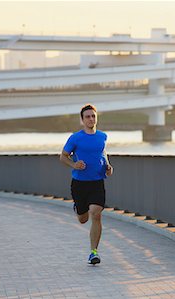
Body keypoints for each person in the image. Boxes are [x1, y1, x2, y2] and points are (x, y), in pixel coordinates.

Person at [60, 103, 113, 265]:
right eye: (87, 117)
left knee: (96, 213)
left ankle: (93, 252)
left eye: (93, 116)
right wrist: (74, 165)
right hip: (79, 184)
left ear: (96, 118)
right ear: (82, 120)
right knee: (83, 218)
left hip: (97, 182)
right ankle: (78, 208)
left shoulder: (102, 136)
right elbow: (63, 156)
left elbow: (103, 153)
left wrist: (108, 166)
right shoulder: (75, 138)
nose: (91, 119)